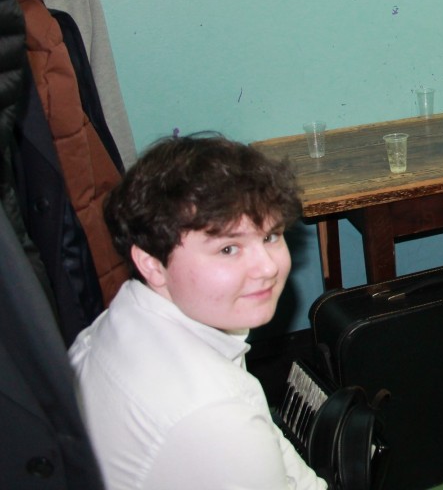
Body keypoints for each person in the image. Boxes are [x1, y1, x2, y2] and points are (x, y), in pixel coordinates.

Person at [69, 134, 326, 490]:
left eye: (270, 236)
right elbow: (234, 423)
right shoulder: (214, 415)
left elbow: (265, 433)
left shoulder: (128, 315)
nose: (267, 267)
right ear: (152, 264)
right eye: (228, 249)